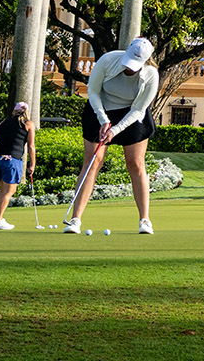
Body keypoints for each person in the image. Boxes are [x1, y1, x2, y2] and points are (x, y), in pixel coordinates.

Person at [67, 37, 160, 235]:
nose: (129, 68)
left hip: (131, 115)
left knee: (135, 163)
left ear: (145, 60)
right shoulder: (108, 60)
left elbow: (138, 109)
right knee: (93, 162)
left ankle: (145, 220)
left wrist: (115, 130)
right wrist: (103, 120)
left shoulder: (151, 75)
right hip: (99, 108)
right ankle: (75, 220)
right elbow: (93, 91)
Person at [0, 101, 36, 230]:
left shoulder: (3, 123)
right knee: (9, 191)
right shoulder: (29, 124)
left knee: (2, 190)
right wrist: (32, 164)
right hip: (11, 160)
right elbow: (31, 146)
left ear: (14, 111)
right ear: (26, 112)